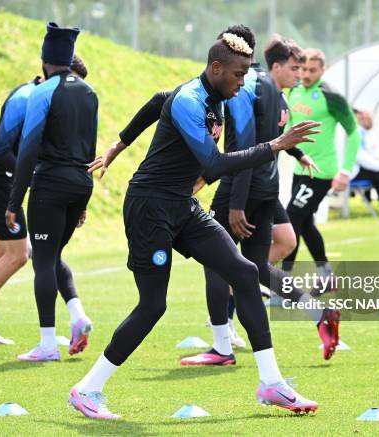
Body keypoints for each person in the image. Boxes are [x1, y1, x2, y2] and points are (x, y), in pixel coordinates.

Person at [69, 32, 322, 419]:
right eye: (238, 74)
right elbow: (214, 166)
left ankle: (271, 383)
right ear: (216, 68)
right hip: (150, 208)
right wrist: (274, 146)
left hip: (182, 206)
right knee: (153, 306)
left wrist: (118, 146)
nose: (243, 81)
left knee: (244, 271)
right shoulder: (190, 100)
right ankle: (88, 389)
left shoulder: (215, 95)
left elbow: (157, 100)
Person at [181, 31, 339, 367]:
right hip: (266, 190)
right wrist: (296, 153)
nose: (299, 74)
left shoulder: (255, 88)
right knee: (258, 270)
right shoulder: (274, 94)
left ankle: (222, 347)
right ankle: (318, 311)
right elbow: (271, 140)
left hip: (244, 189)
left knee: (215, 266)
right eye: (295, 68)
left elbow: (245, 145)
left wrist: (236, 201)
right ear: (278, 66)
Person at [0, 55, 91, 347]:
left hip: (1, 180)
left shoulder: (45, 98)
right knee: (19, 255)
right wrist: (37, 173)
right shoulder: (27, 96)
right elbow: (1, 150)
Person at [5, 23, 98, 361]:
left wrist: (14, 201)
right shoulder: (89, 92)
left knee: (42, 261)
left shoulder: (43, 91)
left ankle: (47, 345)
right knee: (54, 255)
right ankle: (78, 316)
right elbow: (90, 148)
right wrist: (85, 200)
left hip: (50, 185)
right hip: (80, 185)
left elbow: (28, 150)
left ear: (45, 59)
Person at [282, 48, 360, 283]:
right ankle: (327, 276)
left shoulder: (330, 96)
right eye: (303, 69)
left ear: (322, 70)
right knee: (305, 223)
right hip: (300, 168)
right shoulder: (293, 91)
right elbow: (289, 128)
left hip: (321, 171)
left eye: (312, 70)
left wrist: (345, 171)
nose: (305, 74)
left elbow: (354, 132)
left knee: (291, 220)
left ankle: (282, 285)